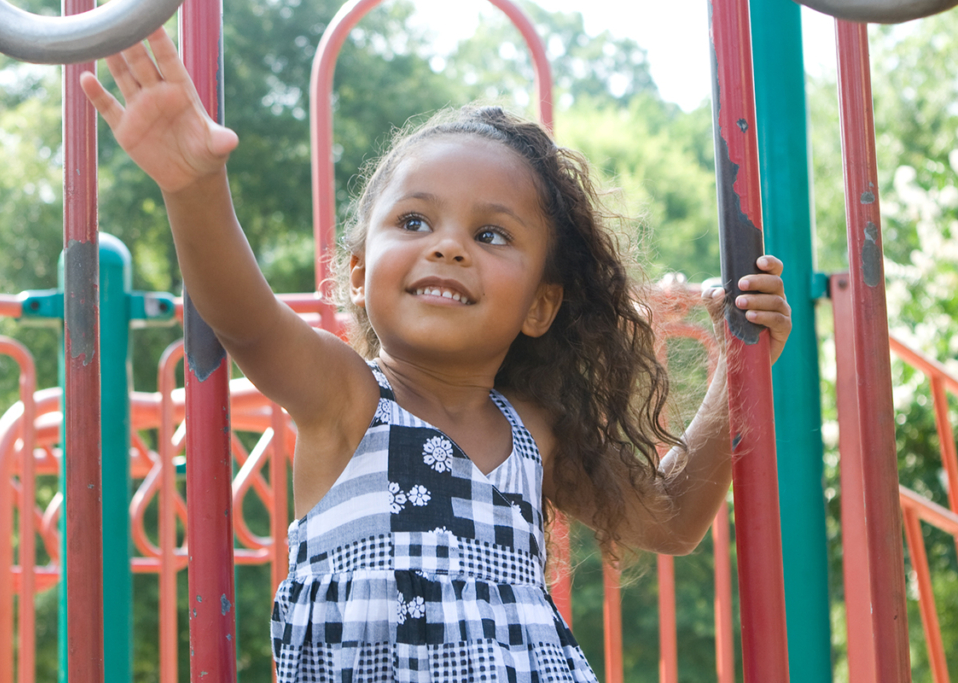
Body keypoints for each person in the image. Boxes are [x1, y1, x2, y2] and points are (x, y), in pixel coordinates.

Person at [81, 28, 792, 683]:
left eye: (492, 235)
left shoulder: (532, 434)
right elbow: (246, 322)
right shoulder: (348, 398)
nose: (449, 245)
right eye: (415, 220)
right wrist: (194, 187)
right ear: (359, 273)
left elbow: (669, 516)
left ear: (541, 305)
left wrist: (741, 365)